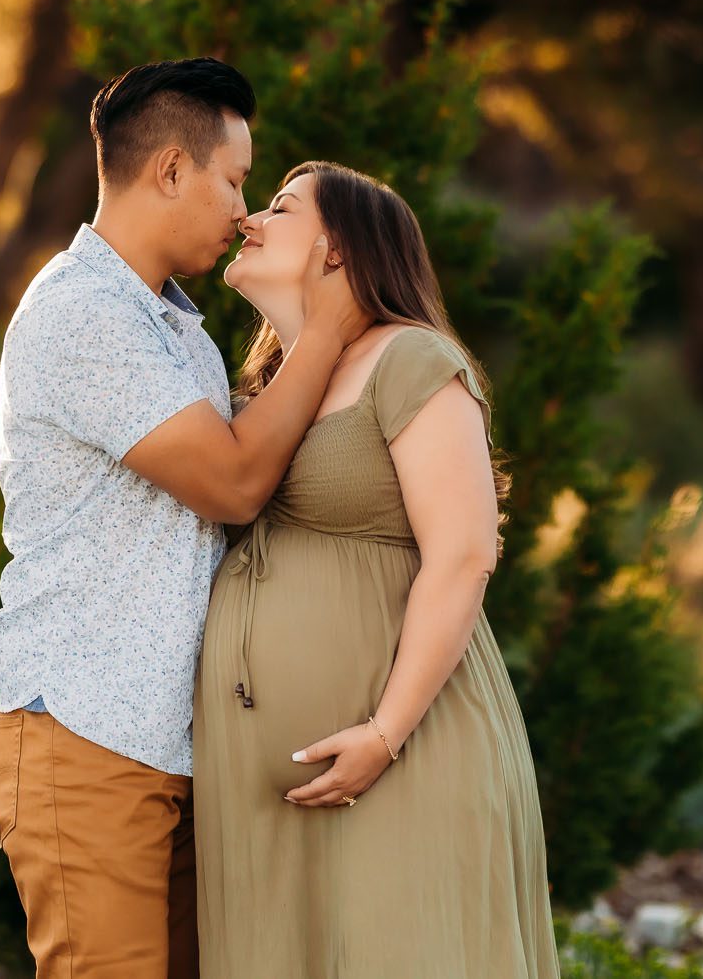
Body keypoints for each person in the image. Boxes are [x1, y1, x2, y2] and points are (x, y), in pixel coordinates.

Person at [0, 59, 368, 979]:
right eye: (234, 179)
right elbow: (232, 485)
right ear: (169, 171)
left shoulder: (176, 327)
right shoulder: (83, 311)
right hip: (84, 733)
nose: (243, 209)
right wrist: (326, 330)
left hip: (174, 740)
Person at [194, 160, 561, 978]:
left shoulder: (410, 359)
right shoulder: (264, 391)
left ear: (337, 249)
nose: (250, 217)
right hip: (264, 799)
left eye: (279, 206)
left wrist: (384, 732)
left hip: (403, 758)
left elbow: (465, 553)